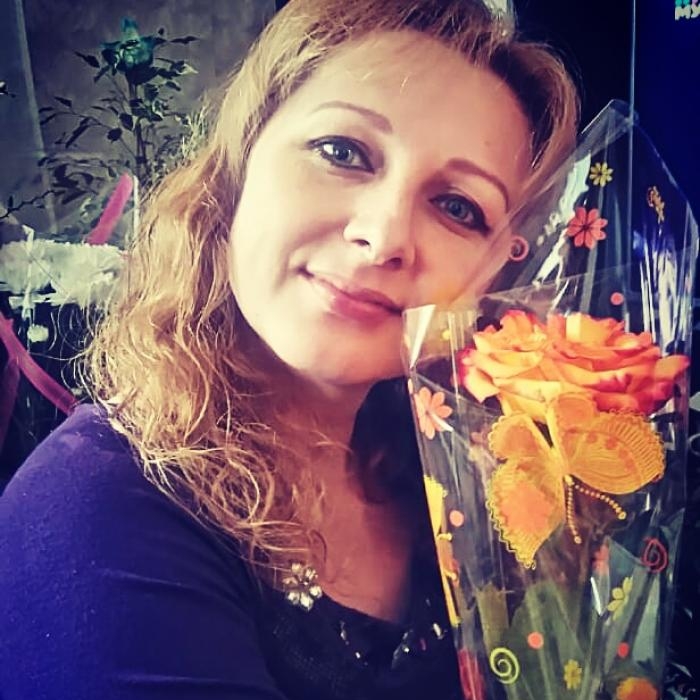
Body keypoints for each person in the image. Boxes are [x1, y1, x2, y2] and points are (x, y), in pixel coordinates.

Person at [0, 1, 579, 698]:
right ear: (238, 167)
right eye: (343, 152)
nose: (384, 236)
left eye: (458, 207)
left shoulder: (461, 473)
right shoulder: (98, 514)